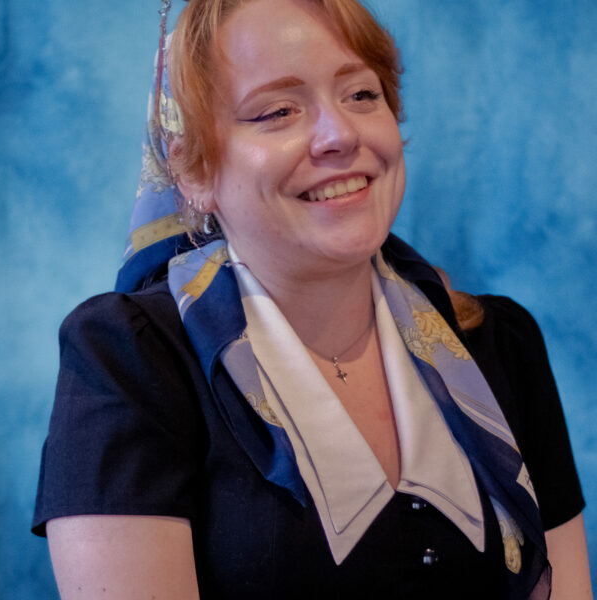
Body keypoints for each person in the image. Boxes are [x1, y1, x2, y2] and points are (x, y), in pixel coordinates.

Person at [32, 0, 592, 598]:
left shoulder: (500, 344)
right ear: (193, 172)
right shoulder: (130, 359)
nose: (340, 135)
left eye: (361, 95)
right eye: (277, 111)